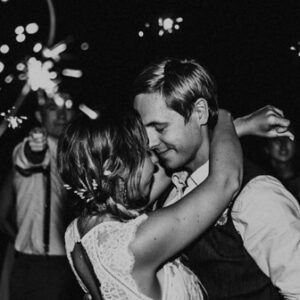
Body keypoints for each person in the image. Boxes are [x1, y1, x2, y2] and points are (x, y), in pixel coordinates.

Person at [133, 58, 300, 300]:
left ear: (200, 112)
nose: (150, 142)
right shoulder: (169, 188)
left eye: (160, 127)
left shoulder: (257, 195)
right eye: (144, 130)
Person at [57, 108, 243, 300]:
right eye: (146, 153)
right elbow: (225, 182)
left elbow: (169, 167)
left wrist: (230, 132)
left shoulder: (77, 232)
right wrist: (223, 120)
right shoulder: (133, 244)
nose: (154, 163)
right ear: (115, 168)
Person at [0, 95, 83, 300]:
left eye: (67, 107)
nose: (62, 114)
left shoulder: (75, 157)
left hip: (62, 265)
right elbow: (30, 154)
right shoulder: (37, 146)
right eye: (53, 107)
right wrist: (36, 143)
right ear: (39, 115)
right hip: (39, 265)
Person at [262, 128, 300, 203]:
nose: (283, 145)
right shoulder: (262, 183)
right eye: (276, 139)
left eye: (288, 138)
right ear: (266, 147)